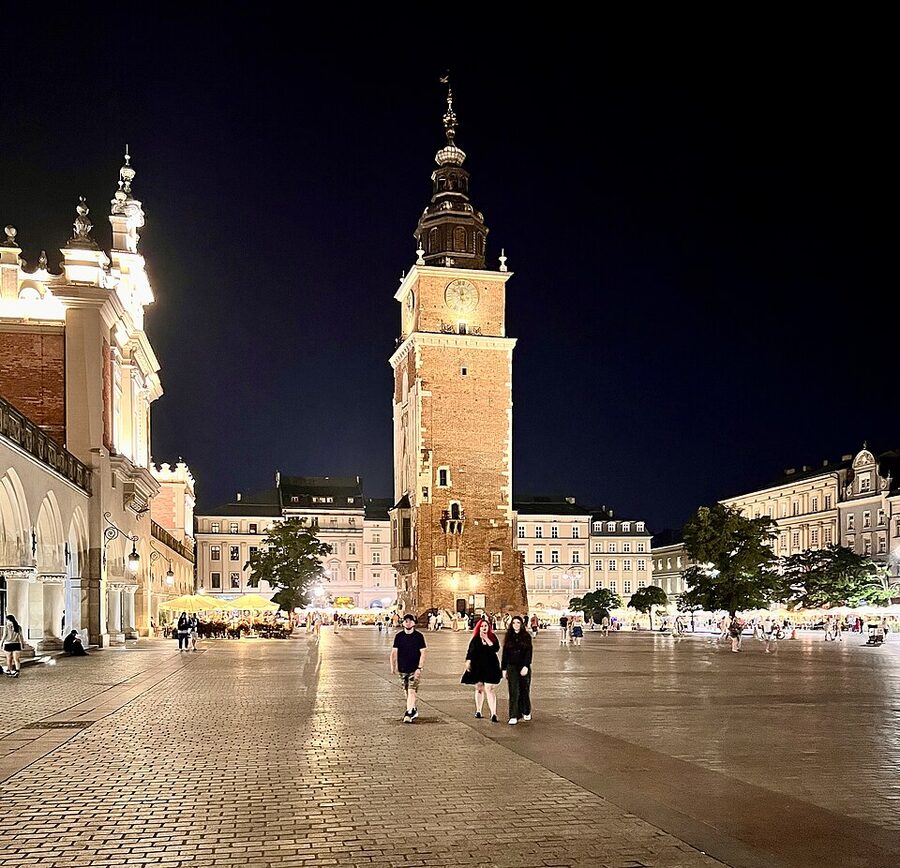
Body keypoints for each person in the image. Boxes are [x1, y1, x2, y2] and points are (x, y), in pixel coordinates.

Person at [390, 614, 426, 723]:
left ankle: (409, 712)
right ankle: (413, 708)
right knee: (406, 690)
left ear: (414, 623)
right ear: (403, 623)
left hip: (414, 669)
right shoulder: (399, 636)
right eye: (406, 621)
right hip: (402, 668)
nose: (408, 622)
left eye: (410, 621)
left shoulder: (419, 636)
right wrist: (393, 666)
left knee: (411, 690)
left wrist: (420, 667)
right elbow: (394, 652)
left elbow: (423, 652)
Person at [465, 619, 502, 722]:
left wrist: (487, 638)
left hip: (491, 665)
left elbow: (496, 648)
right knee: (479, 688)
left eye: (486, 626)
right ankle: (478, 710)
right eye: (482, 626)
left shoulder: (493, 637)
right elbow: (470, 651)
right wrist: (468, 661)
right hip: (478, 666)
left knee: (489, 688)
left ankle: (493, 713)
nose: (484, 627)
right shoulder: (475, 639)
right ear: (479, 627)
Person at [501, 616, 533, 724]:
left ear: (521, 624)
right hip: (512, 666)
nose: (516, 624)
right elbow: (505, 653)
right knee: (514, 690)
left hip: (523, 665)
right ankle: (513, 715)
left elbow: (529, 652)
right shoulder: (508, 636)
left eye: (518, 622)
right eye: (514, 622)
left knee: (524, 689)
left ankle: (526, 710)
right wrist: (504, 668)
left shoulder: (526, 636)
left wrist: (526, 666)